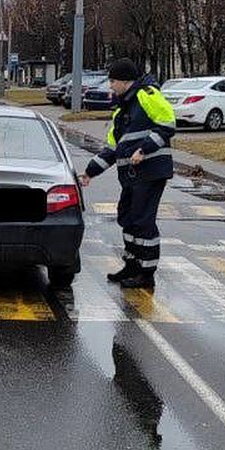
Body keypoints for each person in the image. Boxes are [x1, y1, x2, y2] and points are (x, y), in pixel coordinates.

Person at [77, 57, 176, 290]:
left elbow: (168, 123)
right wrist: (90, 172)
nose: (110, 85)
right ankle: (131, 266)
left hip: (150, 171)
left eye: (113, 81)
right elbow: (113, 148)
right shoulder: (122, 110)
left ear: (124, 81)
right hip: (133, 175)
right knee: (128, 218)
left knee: (143, 221)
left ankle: (146, 273)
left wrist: (144, 149)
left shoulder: (146, 95)